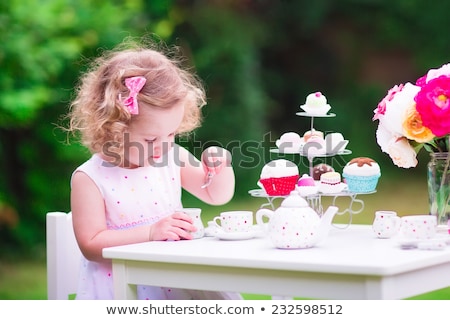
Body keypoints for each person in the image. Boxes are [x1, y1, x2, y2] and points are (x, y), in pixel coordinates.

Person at [66, 39, 240, 300]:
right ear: (114, 128)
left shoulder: (171, 156)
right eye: (150, 139)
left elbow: (216, 195)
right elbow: (91, 245)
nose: (162, 146)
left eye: (171, 133)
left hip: (176, 277)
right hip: (124, 286)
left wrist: (220, 167)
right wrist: (150, 233)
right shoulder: (90, 178)